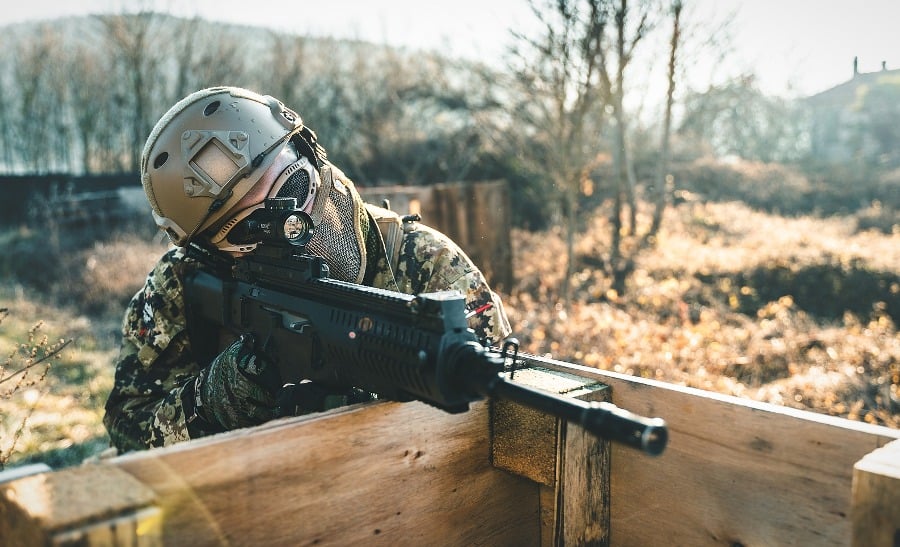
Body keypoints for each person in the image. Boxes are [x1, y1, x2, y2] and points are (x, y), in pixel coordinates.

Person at [103, 86, 512, 452]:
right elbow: (127, 428)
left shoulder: (429, 266)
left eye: (292, 187)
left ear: (311, 154)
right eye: (246, 229)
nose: (292, 221)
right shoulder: (182, 280)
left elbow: (497, 419)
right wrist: (211, 400)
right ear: (209, 251)